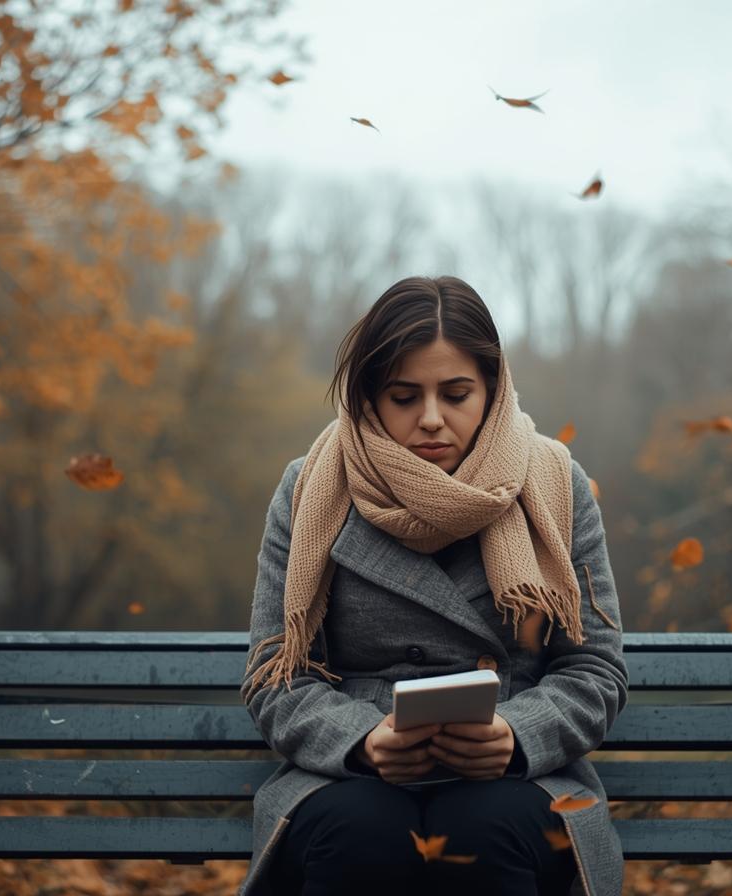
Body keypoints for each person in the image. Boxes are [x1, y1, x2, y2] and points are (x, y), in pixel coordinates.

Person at [236, 275, 628, 896]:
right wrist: (362, 742)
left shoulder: (554, 482)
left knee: (485, 829)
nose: (430, 420)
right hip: (349, 777)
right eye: (402, 396)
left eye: (456, 393)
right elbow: (275, 673)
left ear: (493, 390)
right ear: (369, 397)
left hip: (517, 781)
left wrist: (517, 736)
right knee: (362, 831)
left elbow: (594, 673)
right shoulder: (312, 486)